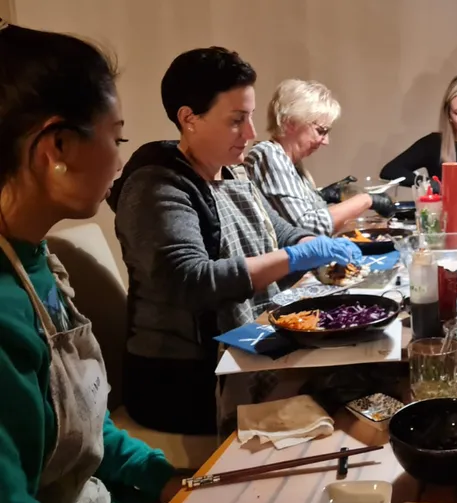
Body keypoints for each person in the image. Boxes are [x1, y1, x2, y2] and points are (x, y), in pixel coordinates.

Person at [107, 48, 360, 436]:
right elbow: (190, 281)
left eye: (251, 117)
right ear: (189, 119)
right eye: (237, 120)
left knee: (357, 370)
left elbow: (278, 232)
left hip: (238, 348)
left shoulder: (232, 175)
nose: (252, 133)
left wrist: (310, 243)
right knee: (344, 397)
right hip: (183, 380)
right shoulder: (158, 185)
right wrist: (295, 257)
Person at [0, 19, 181, 503]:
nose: (120, 161)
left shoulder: (37, 261)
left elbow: (84, 423)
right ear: (56, 148)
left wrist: (175, 484)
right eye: (116, 138)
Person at [245, 79, 395, 235]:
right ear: (290, 123)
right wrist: (366, 200)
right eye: (321, 131)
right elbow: (308, 229)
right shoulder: (269, 155)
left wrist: (323, 195)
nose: (326, 141)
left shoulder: (292, 164)